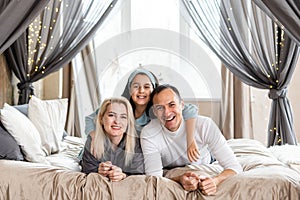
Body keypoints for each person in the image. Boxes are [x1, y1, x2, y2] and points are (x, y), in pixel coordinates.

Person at [140, 84, 242, 195]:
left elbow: (234, 167)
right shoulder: (149, 133)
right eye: (160, 108)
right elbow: (154, 178)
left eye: (172, 105)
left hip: (206, 159)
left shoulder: (204, 125)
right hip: (172, 167)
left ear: (182, 105)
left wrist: (215, 181)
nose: (167, 113)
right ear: (154, 112)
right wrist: (179, 179)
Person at [85, 67, 201, 162]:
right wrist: (94, 137)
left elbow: (190, 109)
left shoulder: (159, 109)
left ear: (153, 88)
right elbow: (90, 119)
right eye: (136, 86)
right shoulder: (120, 106)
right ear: (130, 90)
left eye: (146, 87)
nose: (141, 91)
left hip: (145, 156)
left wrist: (190, 140)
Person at [81, 97, 144, 181]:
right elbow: (86, 171)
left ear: (128, 121)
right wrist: (98, 171)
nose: (117, 121)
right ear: (101, 119)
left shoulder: (137, 143)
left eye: (123, 117)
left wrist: (123, 176)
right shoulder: (92, 141)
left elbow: (139, 175)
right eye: (111, 115)